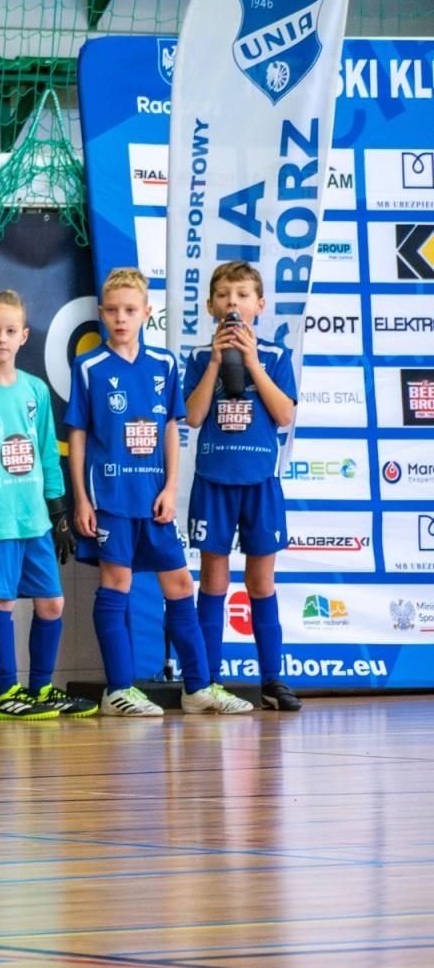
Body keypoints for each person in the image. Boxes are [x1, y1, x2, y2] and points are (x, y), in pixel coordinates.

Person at [65, 268, 254, 716]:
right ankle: (118, 690)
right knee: (117, 584)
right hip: (111, 497)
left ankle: (198, 688)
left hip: (153, 499)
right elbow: (78, 434)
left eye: (130, 310)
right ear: (101, 314)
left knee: (180, 584)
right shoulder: (89, 367)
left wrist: (170, 487)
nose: (121, 318)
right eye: (113, 311)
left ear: (147, 312)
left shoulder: (164, 364)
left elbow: (171, 428)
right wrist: (82, 499)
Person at [0, 290, 95, 719]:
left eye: (10, 331)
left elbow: (47, 453)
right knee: (2, 602)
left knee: (52, 604)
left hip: (35, 520)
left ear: (24, 335)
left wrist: (59, 514)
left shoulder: (36, 390)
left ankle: (40, 688)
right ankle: (5, 692)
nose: (2, 338)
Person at [183, 261, 302, 712]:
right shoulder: (199, 356)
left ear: (260, 304)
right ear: (210, 305)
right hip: (214, 481)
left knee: (260, 581)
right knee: (213, 579)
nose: (232, 302)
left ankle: (271, 678)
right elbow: (193, 416)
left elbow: (284, 415)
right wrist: (217, 361)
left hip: (260, 482)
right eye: (224, 295)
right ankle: (208, 680)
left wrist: (250, 360)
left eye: (242, 294)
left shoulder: (275, 355)